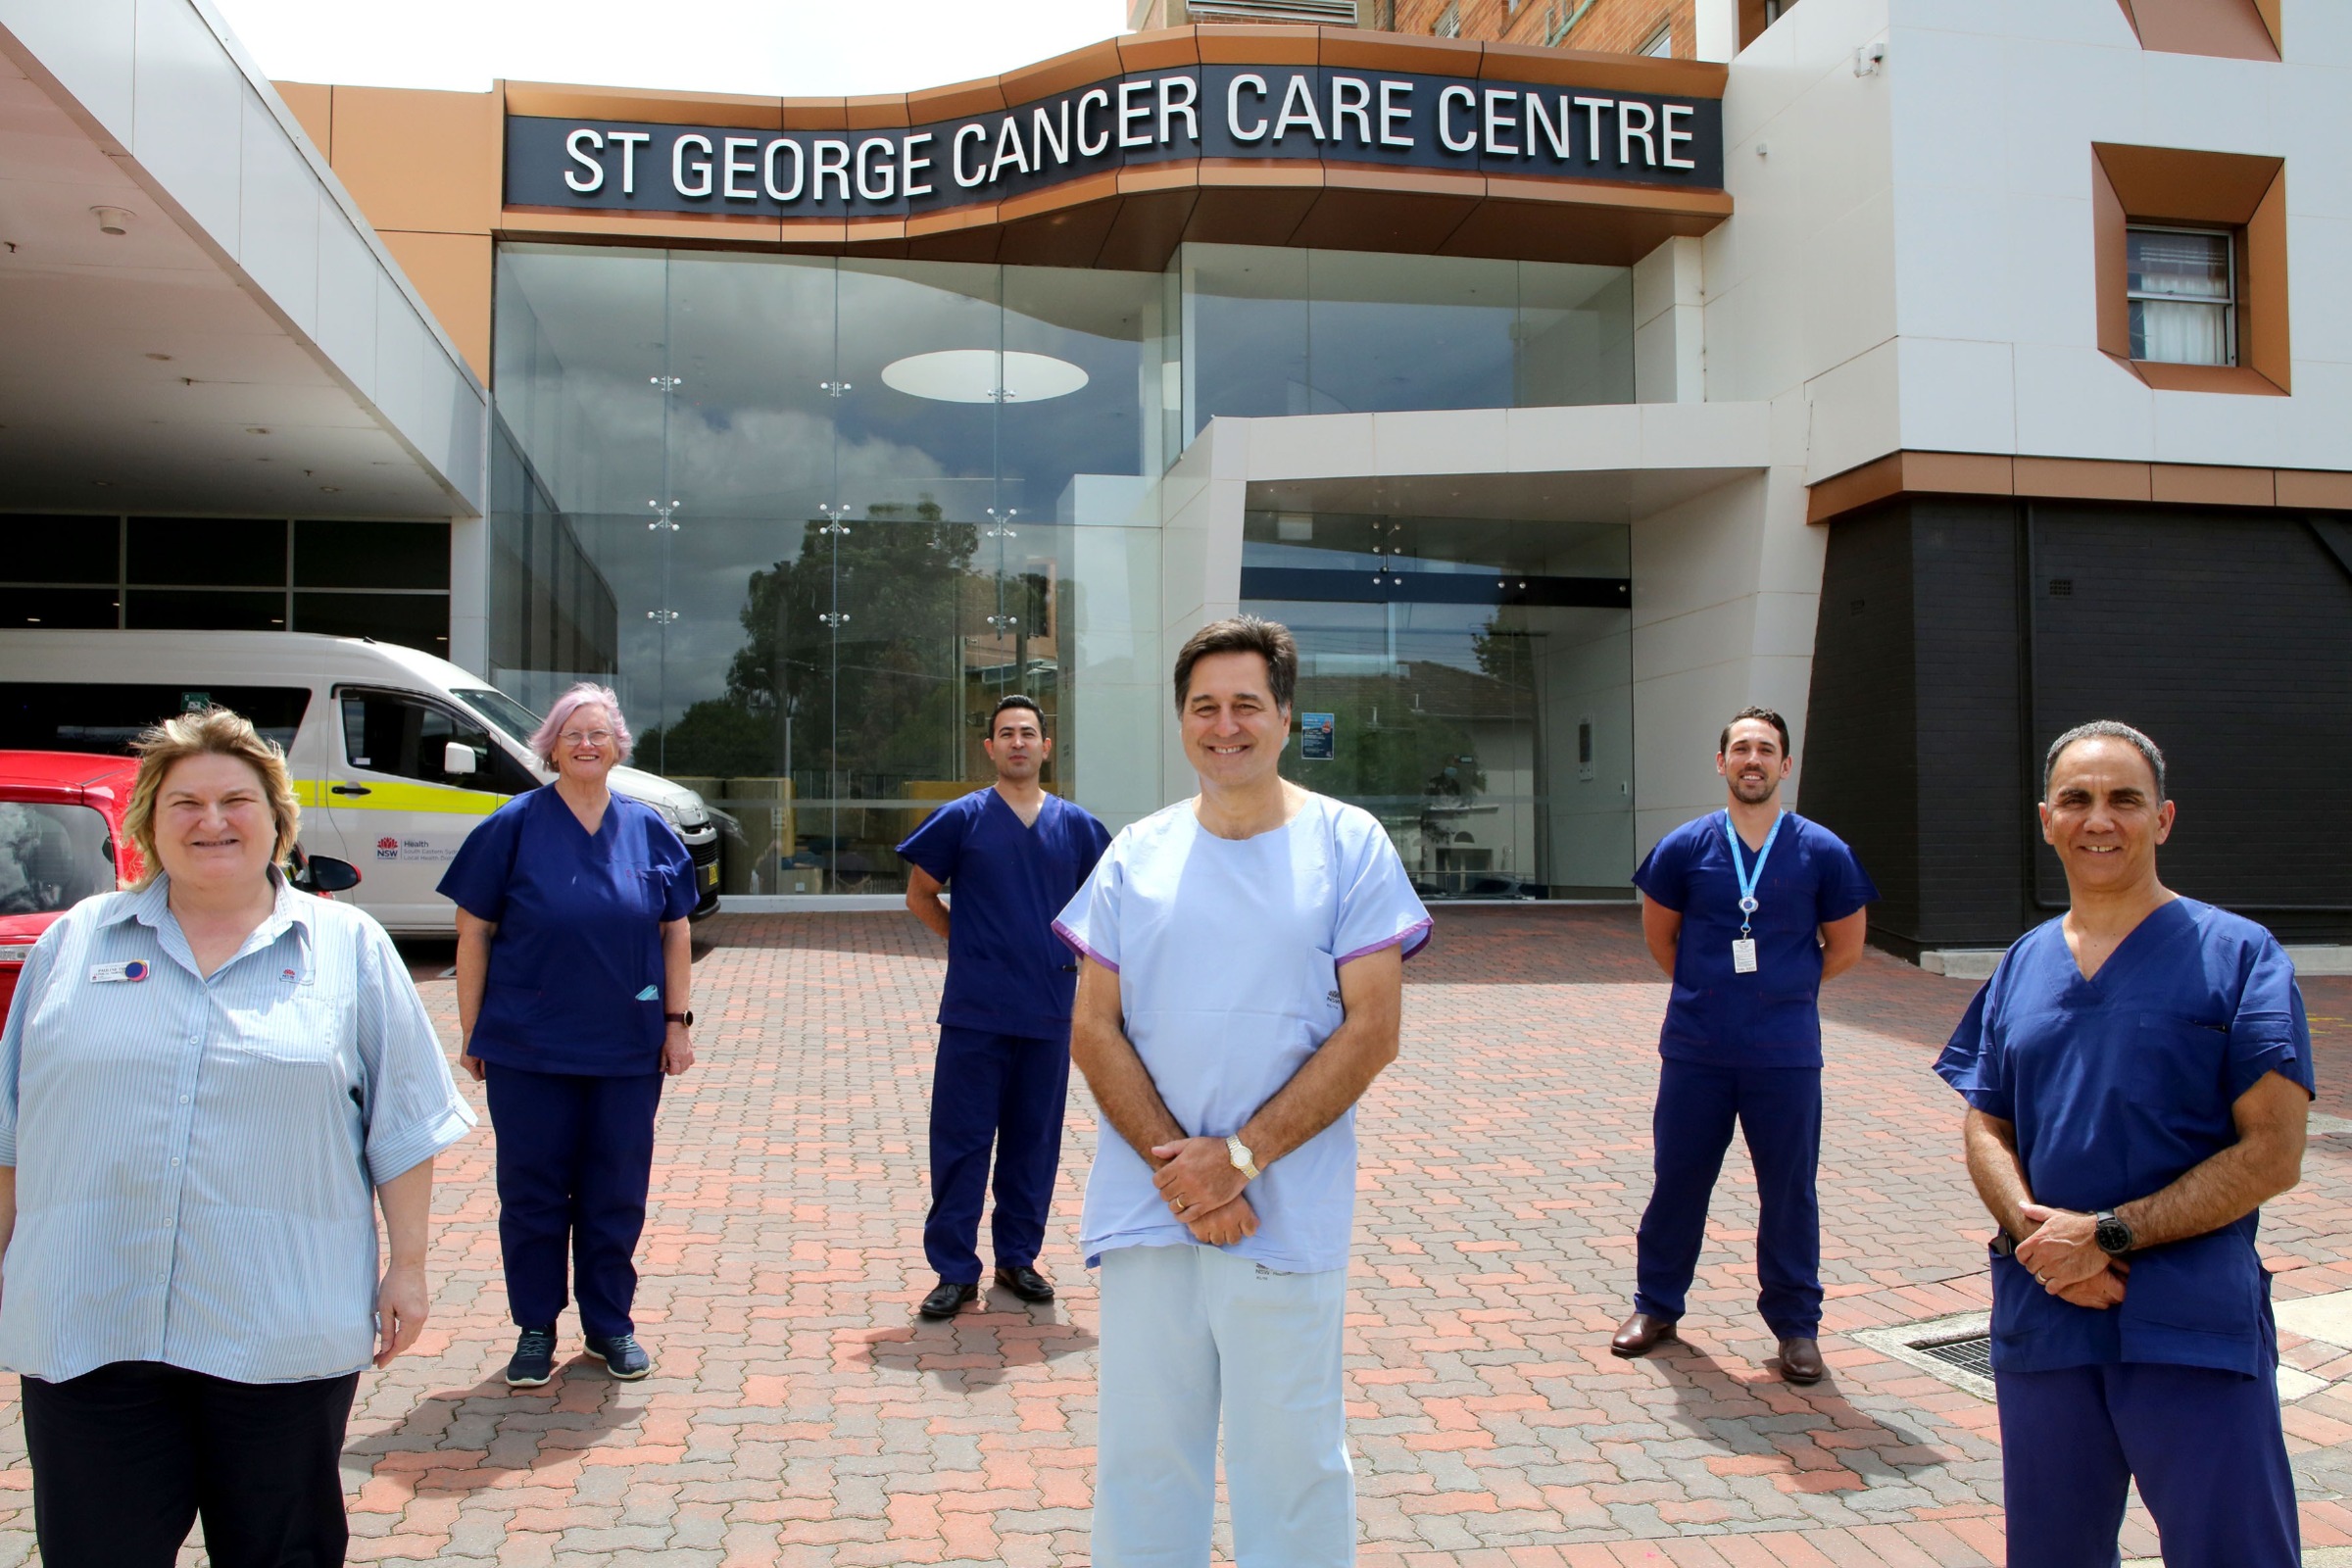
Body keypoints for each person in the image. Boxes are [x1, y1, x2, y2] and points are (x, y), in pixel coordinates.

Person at [0, 706, 473, 1568]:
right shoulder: (70, 945)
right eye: (184, 803)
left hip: (278, 1330)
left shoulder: (349, 948)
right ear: (147, 821)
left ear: (277, 818)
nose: (211, 822)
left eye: (236, 801)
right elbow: (11, 1135)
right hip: (86, 1322)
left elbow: (403, 1126)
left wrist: (407, 1267)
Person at [1055, 615, 1430, 1567]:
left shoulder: (1349, 844)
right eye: (1204, 706)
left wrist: (1241, 1159)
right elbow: (1094, 1025)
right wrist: (1184, 1173)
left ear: (1286, 715)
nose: (1225, 725)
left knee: (1293, 1462)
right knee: (1144, 1459)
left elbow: (1372, 1029)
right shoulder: (1136, 853)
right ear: (1181, 719)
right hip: (1152, 1211)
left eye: (1246, 704)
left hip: (1283, 1214)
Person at [1936, 720, 2309, 1568]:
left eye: (2123, 800)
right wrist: (2041, 1239)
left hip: (2188, 1320)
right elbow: (1985, 1120)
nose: (2098, 819)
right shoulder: (2023, 964)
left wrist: (2105, 1234)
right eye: (2077, 799)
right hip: (2048, 1316)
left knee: (2233, 1551)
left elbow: (2274, 1153)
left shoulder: (2240, 956)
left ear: (2164, 819)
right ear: (2046, 819)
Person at [438, 682, 699, 1387]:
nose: (586, 744)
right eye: (572, 733)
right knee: (533, 1191)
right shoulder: (512, 825)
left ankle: (610, 1325)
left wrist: (676, 1025)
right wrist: (472, 1030)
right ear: (549, 745)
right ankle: (534, 1327)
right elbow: (473, 934)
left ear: (619, 747)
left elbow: (675, 932)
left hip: (626, 1046)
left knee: (616, 1189)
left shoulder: (649, 829)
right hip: (529, 1046)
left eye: (600, 733)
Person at [1613, 706, 1877, 1384]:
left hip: (1785, 1054)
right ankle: (1656, 1306)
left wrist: (1785, 988)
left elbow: (1846, 946)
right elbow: (1660, 939)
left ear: (1785, 766)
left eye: (1766, 750)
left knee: (1789, 1191)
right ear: (1722, 763)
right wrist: (1713, 991)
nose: (1752, 760)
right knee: (1678, 1183)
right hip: (1697, 1050)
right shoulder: (1684, 848)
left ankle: (1796, 1327)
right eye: (1741, 749)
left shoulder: (1823, 851)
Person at [897, 694, 1111, 1319]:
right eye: (1005, 734)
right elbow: (920, 896)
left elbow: (1101, 912)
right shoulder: (962, 818)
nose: (1018, 742)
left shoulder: (1077, 827)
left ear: (1046, 747)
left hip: (1048, 1010)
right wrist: (968, 946)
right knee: (961, 1141)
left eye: (1028, 733)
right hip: (975, 1012)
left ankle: (1019, 1258)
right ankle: (955, 1271)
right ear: (989, 749)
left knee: (1033, 1141)